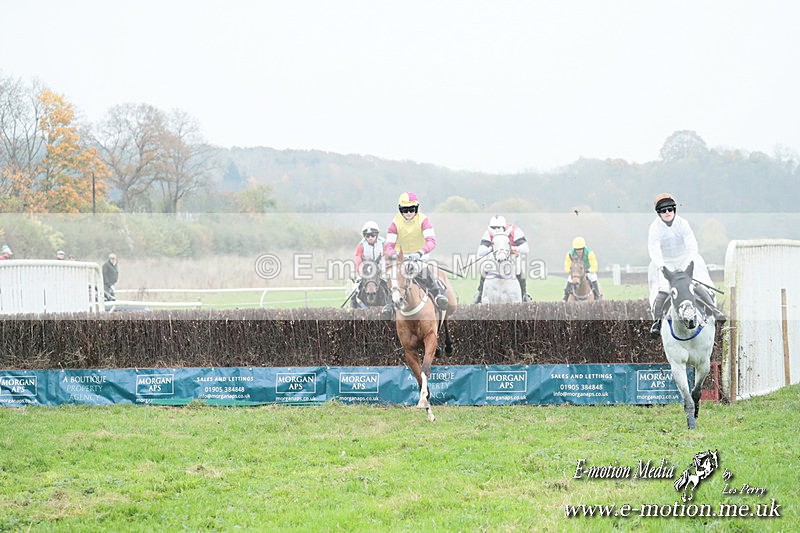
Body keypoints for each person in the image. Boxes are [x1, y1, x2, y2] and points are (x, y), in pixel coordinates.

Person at [647, 193, 725, 337]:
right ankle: (657, 321)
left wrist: (687, 266)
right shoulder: (654, 228)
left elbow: (692, 246)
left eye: (670, 209)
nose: (667, 213)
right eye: (663, 211)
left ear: (674, 210)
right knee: (664, 289)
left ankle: (715, 310)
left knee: (694, 285)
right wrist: (662, 266)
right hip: (666, 263)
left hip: (685, 260)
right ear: (659, 213)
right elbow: (654, 250)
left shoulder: (683, 223)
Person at [382, 192, 449, 318]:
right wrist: (395, 256)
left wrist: (420, 253)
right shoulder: (395, 223)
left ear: (416, 208)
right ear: (400, 210)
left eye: (411, 209)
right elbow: (388, 245)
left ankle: (438, 295)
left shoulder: (423, 220)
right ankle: (389, 305)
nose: (408, 213)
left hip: (419, 255)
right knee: (390, 276)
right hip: (400, 257)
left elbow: (431, 241)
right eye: (405, 210)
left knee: (424, 272)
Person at [471, 215, 532, 303]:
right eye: (493, 228)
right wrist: (490, 248)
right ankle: (480, 294)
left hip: (512, 255)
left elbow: (526, 248)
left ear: (504, 227)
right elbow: (480, 251)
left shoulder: (515, 231)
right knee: (485, 268)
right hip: (496, 256)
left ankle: (524, 295)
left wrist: (514, 249)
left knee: (518, 270)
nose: (496, 230)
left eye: (499, 227)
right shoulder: (488, 233)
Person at [351, 220, 389, 307]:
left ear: (377, 235)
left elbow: (387, 256)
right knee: (355, 287)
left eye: (372, 235)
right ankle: (352, 305)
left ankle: (392, 305)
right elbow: (358, 257)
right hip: (366, 269)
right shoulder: (361, 244)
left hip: (380, 267)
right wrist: (360, 270)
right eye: (367, 236)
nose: (370, 238)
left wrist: (384, 269)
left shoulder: (383, 242)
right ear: (364, 236)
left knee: (391, 285)